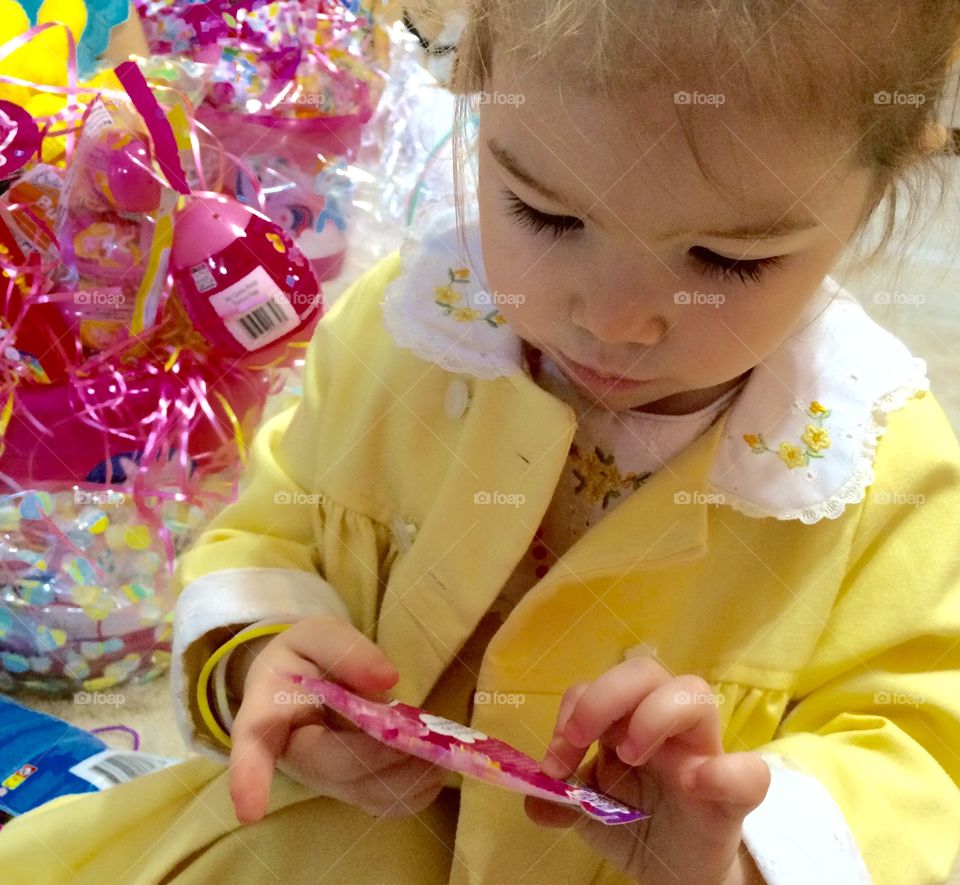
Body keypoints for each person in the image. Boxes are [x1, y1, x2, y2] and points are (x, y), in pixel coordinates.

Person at [5, 2, 960, 882]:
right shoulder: (410, 331)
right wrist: (259, 659)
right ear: (475, 100)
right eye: (546, 214)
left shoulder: (876, 467)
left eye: (726, 259)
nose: (612, 320)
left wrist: (745, 845)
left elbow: (925, 757)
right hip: (314, 843)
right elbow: (272, 523)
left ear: (881, 192)